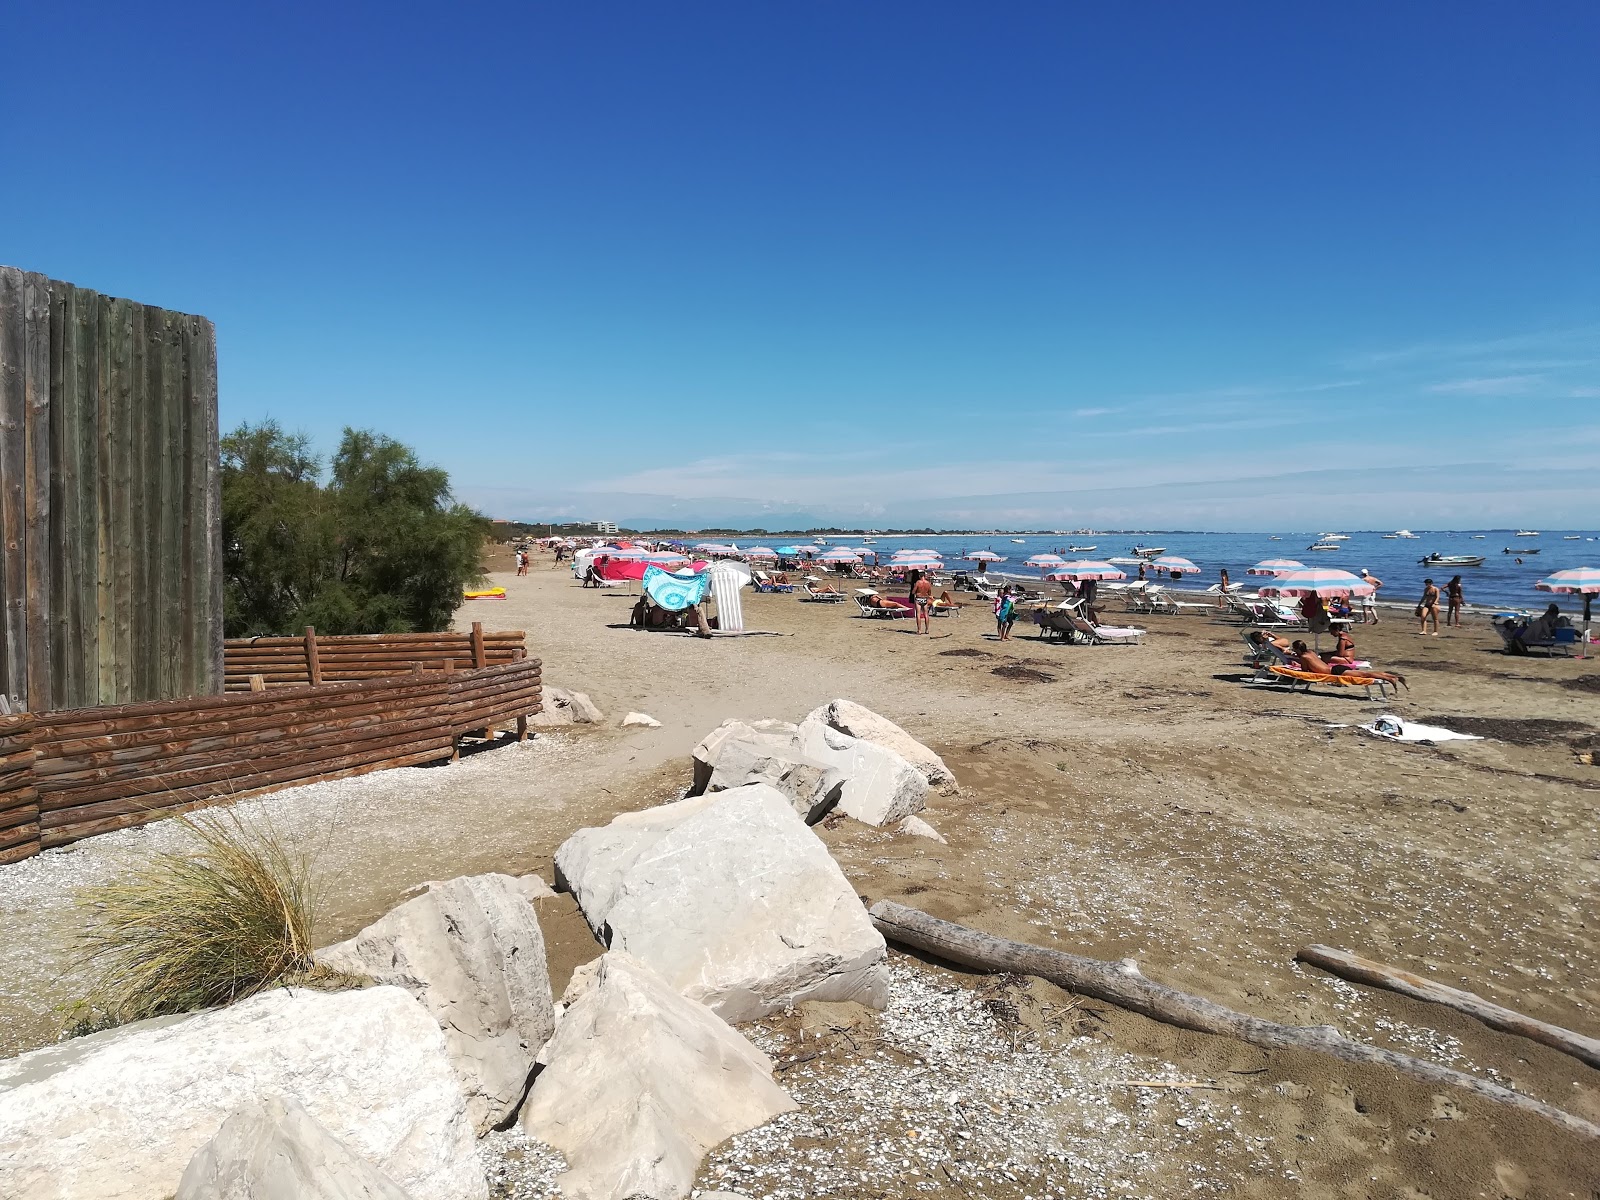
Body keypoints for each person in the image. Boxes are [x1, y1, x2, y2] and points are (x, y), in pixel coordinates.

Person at [1288, 640, 1407, 690]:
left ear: (1297, 649)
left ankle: (1390, 679)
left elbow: (1304, 671)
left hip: (1334, 672)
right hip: (1334, 668)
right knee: (1364, 674)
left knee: (1364, 674)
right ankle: (1392, 677)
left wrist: (1296, 665)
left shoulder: (1304, 657)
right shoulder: (1310, 652)